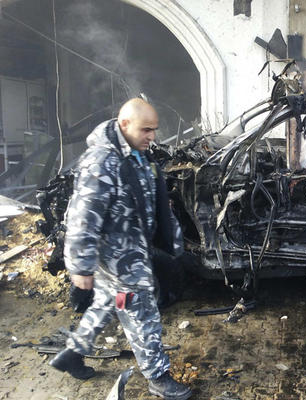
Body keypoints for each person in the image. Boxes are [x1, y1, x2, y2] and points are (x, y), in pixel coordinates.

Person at [49, 98, 192, 400]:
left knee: (106, 302)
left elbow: (152, 200)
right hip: (119, 256)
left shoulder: (136, 154)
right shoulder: (101, 161)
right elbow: (83, 218)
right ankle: (158, 377)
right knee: (143, 312)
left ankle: (73, 353)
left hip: (133, 247)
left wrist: (172, 237)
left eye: (154, 129)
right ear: (124, 124)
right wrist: (80, 265)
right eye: (146, 130)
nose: (151, 136)